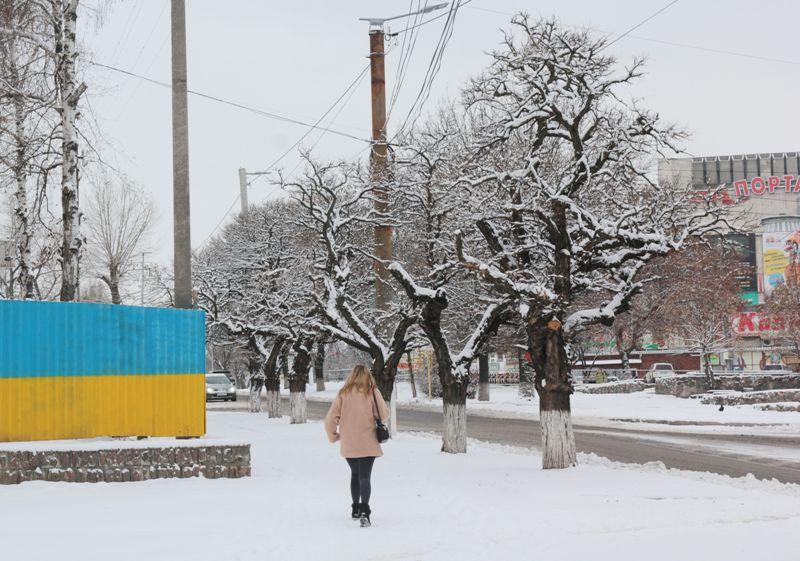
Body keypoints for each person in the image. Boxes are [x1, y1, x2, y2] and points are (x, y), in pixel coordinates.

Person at [324, 364, 389, 527]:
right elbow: (383, 414)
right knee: (365, 476)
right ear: (368, 375)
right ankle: (365, 511)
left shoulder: (343, 393)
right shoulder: (372, 391)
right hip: (368, 441)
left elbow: (331, 419)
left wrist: (333, 436)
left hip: (349, 442)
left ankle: (355, 509)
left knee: (355, 474)